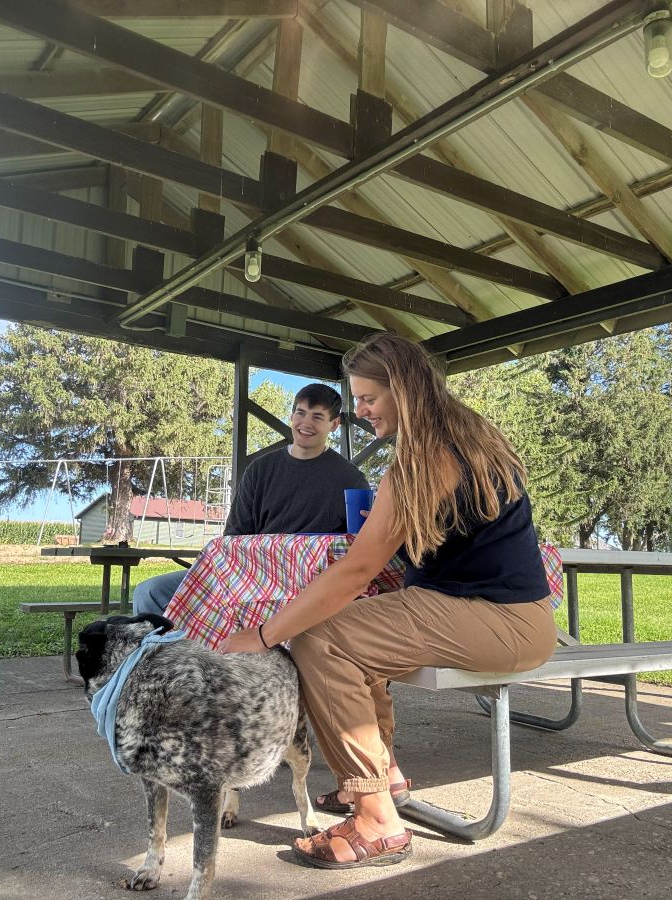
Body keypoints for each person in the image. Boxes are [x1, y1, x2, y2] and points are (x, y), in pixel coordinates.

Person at [218, 333, 556, 870]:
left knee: (318, 636)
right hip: (516, 618)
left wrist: (263, 635)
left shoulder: (429, 457)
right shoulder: (467, 434)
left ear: (404, 389)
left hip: (498, 622)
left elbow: (355, 572)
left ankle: (377, 822)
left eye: (368, 398)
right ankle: (382, 775)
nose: (359, 411)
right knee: (353, 628)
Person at [132, 383, 368, 616]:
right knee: (149, 592)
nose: (306, 423)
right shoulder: (260, 469)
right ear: (291, 415)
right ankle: (172, 653)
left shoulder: (351, 479)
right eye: (300, 413)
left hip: (309, 583)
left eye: (317, 417)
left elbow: (359, 550)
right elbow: (234, 537)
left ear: (334, 424)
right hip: (249, 572)